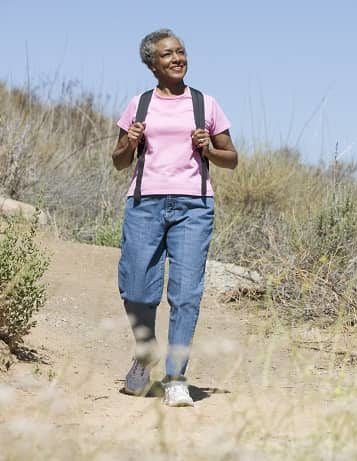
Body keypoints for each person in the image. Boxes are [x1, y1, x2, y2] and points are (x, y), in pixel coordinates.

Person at [112, 29, 238, 407]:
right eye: (167, 54)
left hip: (193, 207)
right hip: (144, 204)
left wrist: (209, 149)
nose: (177, 58)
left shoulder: (206, 104)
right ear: (153, 64)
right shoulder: (139, 104)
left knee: (185, 294)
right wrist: (129, 142)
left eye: (181, 51)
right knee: (137, 288)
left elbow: (231, 158)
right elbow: (118, 160)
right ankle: (144, 354)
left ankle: (176, 376)